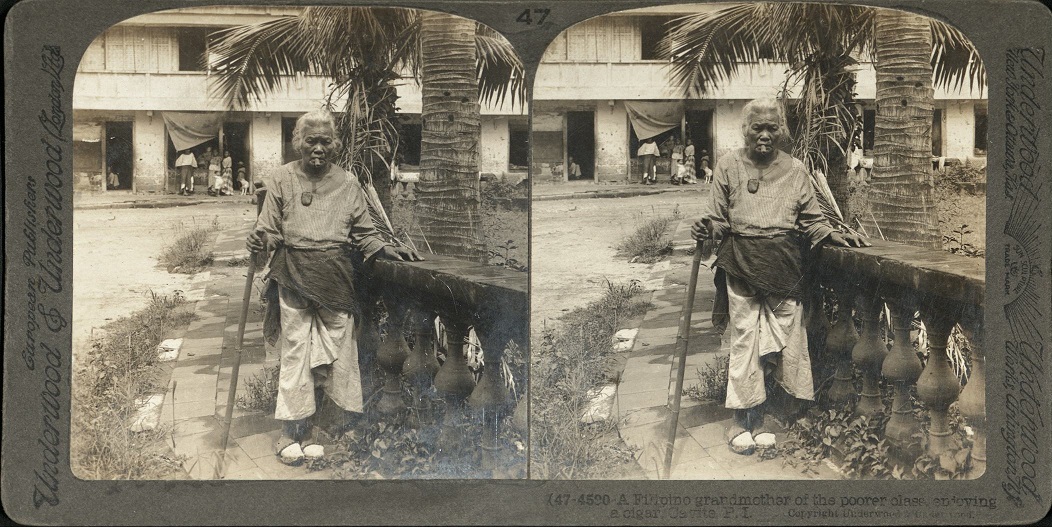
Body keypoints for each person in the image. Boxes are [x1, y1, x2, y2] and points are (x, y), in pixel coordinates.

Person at [691, 98, 868, 456]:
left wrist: (833, 233)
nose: (765, 135)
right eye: (758, 127)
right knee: (745, 342)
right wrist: (706, 227)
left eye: (773, 127)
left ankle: (770, 413)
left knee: (788, 342)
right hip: (741, 264)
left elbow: (812, 219)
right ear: (745, 130)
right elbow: (718, 220)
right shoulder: (727, 166)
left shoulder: (796, 169)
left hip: (786, 268)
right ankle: (743, 418)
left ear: (782, 130)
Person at [246, 109, 421, 465]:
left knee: (336, 355)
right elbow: (267, 229)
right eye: (311, 140)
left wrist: (388, 248)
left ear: (336, 144)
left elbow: (365, 233)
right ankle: (290, 430)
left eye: (326, 141)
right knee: (296, 353)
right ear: (299, 142)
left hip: (337, 279)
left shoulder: (348, 182)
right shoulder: (280, 179)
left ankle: (320, 428)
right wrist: (258, 240)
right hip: (293, 275)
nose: (319, 148)